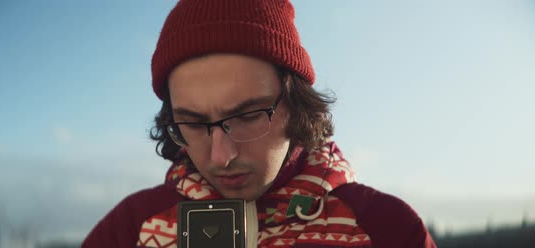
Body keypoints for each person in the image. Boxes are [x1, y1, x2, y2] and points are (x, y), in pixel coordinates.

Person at [83, 0, 436, 247]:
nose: (222, 157)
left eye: (248, 116)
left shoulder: (388, 229)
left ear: (297, 105)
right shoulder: (129, 230)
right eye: (191, 123)